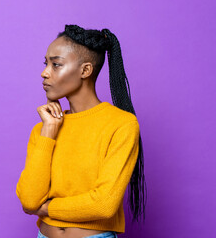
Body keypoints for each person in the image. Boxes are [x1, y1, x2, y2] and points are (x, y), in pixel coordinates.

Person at [16, 24, 147, 238]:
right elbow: (30, 201)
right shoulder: (43, 128)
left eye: (56, 64)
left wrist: (47, 209)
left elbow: (103, 205)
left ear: (85, 70)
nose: (44, 72)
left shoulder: (121, 124)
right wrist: (49, 132)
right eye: (46, 63)